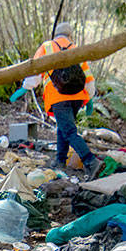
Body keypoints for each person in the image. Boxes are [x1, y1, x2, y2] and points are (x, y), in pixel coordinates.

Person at [12, 22, 101, 177]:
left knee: (69, 130)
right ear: (69, 35)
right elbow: (88, 77)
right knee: (63, 127)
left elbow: (35, 71)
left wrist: (25, 88)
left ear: (56, 34)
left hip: (58, 96)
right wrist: (90, 98)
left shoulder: (47, 47)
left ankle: (91, 161)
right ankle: (60, 161)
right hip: (77, 97)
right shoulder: (76, 49)